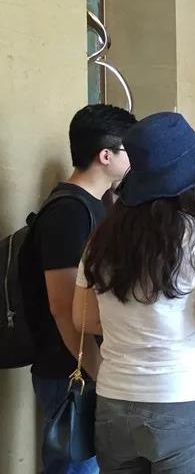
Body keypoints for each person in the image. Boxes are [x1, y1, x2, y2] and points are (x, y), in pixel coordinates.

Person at [75, 112, 195, 473]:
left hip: (115, 400)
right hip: (186, 399)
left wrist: (132, 325)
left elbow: (84, 318)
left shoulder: (101, 241)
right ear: (191, 179)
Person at [22, 104, 135, 474]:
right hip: (70, 372)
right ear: (106, 155)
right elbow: (62, 305)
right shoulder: (69, 212)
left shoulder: (95, 206)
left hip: (84, 367)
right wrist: (97, 370)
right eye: (129, 149)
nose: (134, 160)